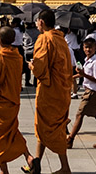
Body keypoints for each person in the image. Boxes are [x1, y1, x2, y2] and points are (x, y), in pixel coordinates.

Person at [0, 27, 37, 174]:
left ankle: (4, 171)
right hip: (13, 103)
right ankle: (29, 158)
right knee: (12, 133)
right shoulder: (17, 57)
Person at [30, 9, 73, 174]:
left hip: (49, 91)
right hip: (62, 90)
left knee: (52, 128)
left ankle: (65, 167)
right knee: (45, 126)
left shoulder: (45, 39)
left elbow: (40, 68)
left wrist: (32, 66)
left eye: (36, 22)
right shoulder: (61, 39)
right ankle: (36, 163)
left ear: (41, 22)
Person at [67, 38, 96, 149]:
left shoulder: (95, 63)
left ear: (95, 48)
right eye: (86, 47)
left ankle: (70, 139)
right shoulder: (87, 60)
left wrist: (83, 74)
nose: (88, 49)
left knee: (79, 115)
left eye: (90, 47)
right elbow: (84, 74)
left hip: (92, 92)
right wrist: (73, 76)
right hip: (91, 91)